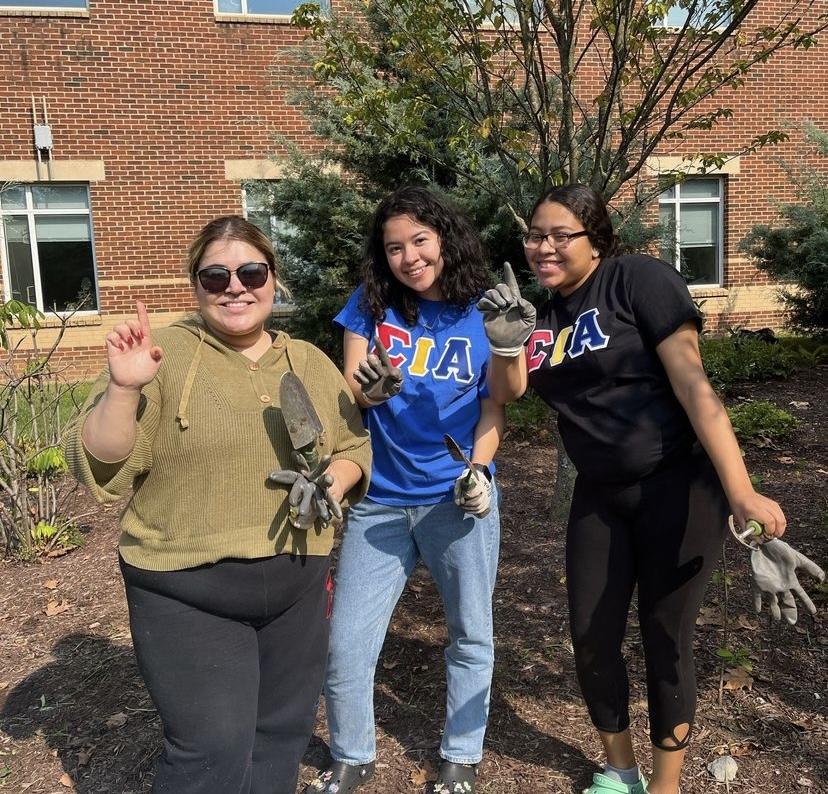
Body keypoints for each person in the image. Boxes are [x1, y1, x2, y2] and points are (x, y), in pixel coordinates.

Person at [478, 185, 787, 794]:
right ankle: (621, 772)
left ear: (596, 239)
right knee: (591, 638)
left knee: (666, 637)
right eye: (535, 235)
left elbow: (694, 385)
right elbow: (508, 392)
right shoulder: (539, 316)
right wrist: (506, 341)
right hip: (600, 495)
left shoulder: (637, 280)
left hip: (680, 488)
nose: (543, 247)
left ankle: (667, 786)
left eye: (559, 235)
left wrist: (742, 490)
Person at [62, 216, 372, 794]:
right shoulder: (166, 355)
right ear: (195, 284)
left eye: (252, 271)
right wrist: (124, 389)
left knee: (281, 736)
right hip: (187, 589)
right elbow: (102, 462)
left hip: (296, 584)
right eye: (216, 276)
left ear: (273, 280)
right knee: (211, 751)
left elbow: (354, 443)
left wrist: (332, 479)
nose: (236, 286)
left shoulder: (305, 359)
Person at [304, 186, 504, 794]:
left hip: (457, 500)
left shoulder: (480, 313)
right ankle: (352, 755)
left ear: (444, 238)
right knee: (347, 642)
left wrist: (480, 471)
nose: (409, 256)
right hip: (381, 501)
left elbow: (496, 406)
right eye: (394, 247)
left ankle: (461, 755)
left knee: (471, 633)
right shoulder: (370, 307)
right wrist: (372, 390)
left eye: (420, 240)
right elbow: (349, 394)